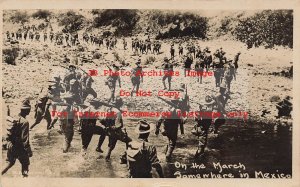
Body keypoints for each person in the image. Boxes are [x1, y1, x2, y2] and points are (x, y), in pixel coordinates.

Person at [2, 99, 32, 177]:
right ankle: (25, 181)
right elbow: (25, 140)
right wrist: (29, 151)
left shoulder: (14, 118)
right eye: (29, 109)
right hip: (19, 147)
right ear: (27, 110)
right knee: (25, 164)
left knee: (9, 163)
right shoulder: (25, 122)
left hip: (10, 144)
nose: (29, 111)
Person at [98, 96, 131, 161]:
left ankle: (107, 158)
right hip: (115, 131)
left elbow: (103, 120)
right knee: (129, 141)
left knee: (111, 145)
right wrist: (122, 127)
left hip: (109, 131)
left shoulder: (109, 109)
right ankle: (128, 155)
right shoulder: (118, 112)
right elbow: (118, 125)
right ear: (120, 104)